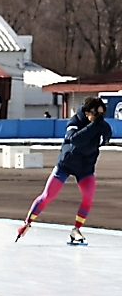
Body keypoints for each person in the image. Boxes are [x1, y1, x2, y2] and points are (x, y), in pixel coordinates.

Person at [17, 96, 112, 245]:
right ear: (88, 112)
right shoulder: (75, 121)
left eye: (102, 114)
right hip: (66, 164)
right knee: (47, 195)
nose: (100, 118)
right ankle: (27, 223)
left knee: (88, 196)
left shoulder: (103, 126)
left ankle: (76, 230)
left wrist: (98, 129)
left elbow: (103, 140)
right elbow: (76, 140)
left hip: (85, 167)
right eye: (97, 114)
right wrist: (94, 127)